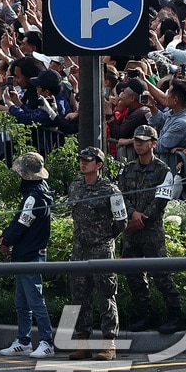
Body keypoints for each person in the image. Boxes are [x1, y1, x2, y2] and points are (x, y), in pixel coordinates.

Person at [117, 124, 185, 333]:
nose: (138, 144)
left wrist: (141, 217)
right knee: (134, 277)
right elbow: (120, 195)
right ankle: (144, 315)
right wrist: (131, 214)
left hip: (151, 231)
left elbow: (160, 202)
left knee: (161, 275)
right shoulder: (127, 168)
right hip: (131, 230)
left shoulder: (163, 170)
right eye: (136, 140)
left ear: (153, 144)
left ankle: (176, 315)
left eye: (143, 141)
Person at [66, 146, 126, 360]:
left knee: (106, 295)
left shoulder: (111, 190)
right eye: (81, 159)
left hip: (101, 249)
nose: (83, 163)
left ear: (99, 165)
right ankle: (83, 343)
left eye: (88, 160)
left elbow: (121, 221)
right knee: (79, 296)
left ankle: (109, 344)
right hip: (79, 249)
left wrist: (106, 239)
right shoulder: (74, 187)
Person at [0, 152, 55, 358]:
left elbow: (22, 222)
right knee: (22, 302)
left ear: (27, 174)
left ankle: (46, 341)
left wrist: (6, 239)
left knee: (35, 301)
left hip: (30, 254)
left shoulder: (34, 195)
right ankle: (23, 340)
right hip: (26, 253)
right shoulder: (41, 191)